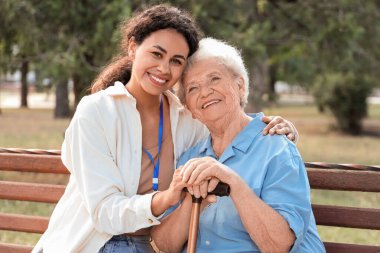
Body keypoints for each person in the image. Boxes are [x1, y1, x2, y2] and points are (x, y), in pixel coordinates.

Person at [32, 5, 299, 253]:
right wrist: (166, 198)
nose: (164, 68)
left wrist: (275, 126)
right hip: (95, 241)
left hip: (152, 246)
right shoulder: (97, 111)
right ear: (133, 48)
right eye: (156, 54)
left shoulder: (186, 117)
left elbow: (226, 120)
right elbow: (104, 213)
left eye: (176, 60)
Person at [151, 38, 325, 253]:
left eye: (214, 79)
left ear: (240, 86)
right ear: (191, 110)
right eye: (193, 88)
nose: (205, 92)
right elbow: (164, 246)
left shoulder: (276, 148)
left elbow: (279, 245)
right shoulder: (191, 158)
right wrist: (195, 200)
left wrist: (231, 181)